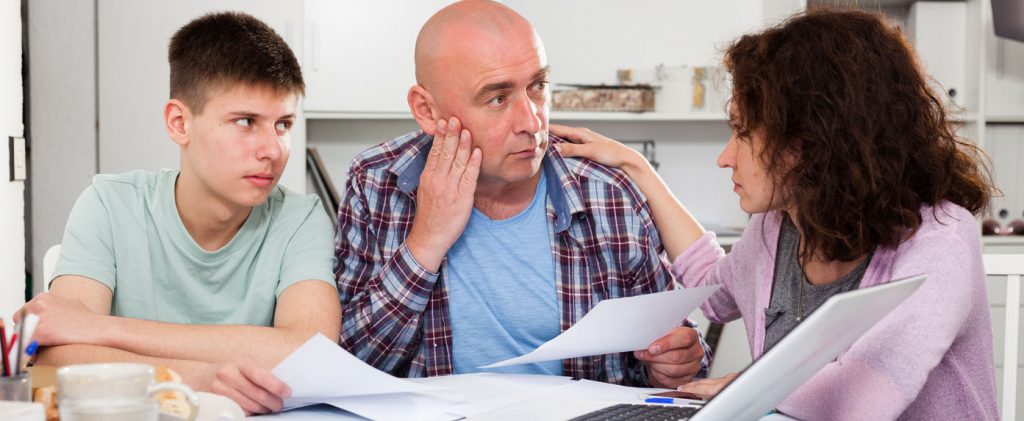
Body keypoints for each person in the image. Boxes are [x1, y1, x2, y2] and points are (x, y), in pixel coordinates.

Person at [551, 8, 998, 420]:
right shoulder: (779, 224)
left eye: (744, 132)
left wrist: (747, 387)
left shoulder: (939, 240)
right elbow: (715, 290)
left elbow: (861, 400)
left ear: (810, 142)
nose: (725, 158)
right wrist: (637, 168)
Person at [334, 0, 709, 388]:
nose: (532, 122)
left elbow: (683, 363)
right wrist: (426, 241)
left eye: (538, 87)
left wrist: (673, 363)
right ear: (427, 111)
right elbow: (344, 363)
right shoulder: (377, 182)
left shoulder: (608, 192)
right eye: (497, 98)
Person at [17, 12, 340, 415]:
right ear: (179, 122)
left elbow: (313, 351)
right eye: (245, 121)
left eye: (283, 124)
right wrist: (189, 377)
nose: (273, 151)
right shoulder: (109, 204)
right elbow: (54, 353)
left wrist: (103, 329)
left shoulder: (302, 218)